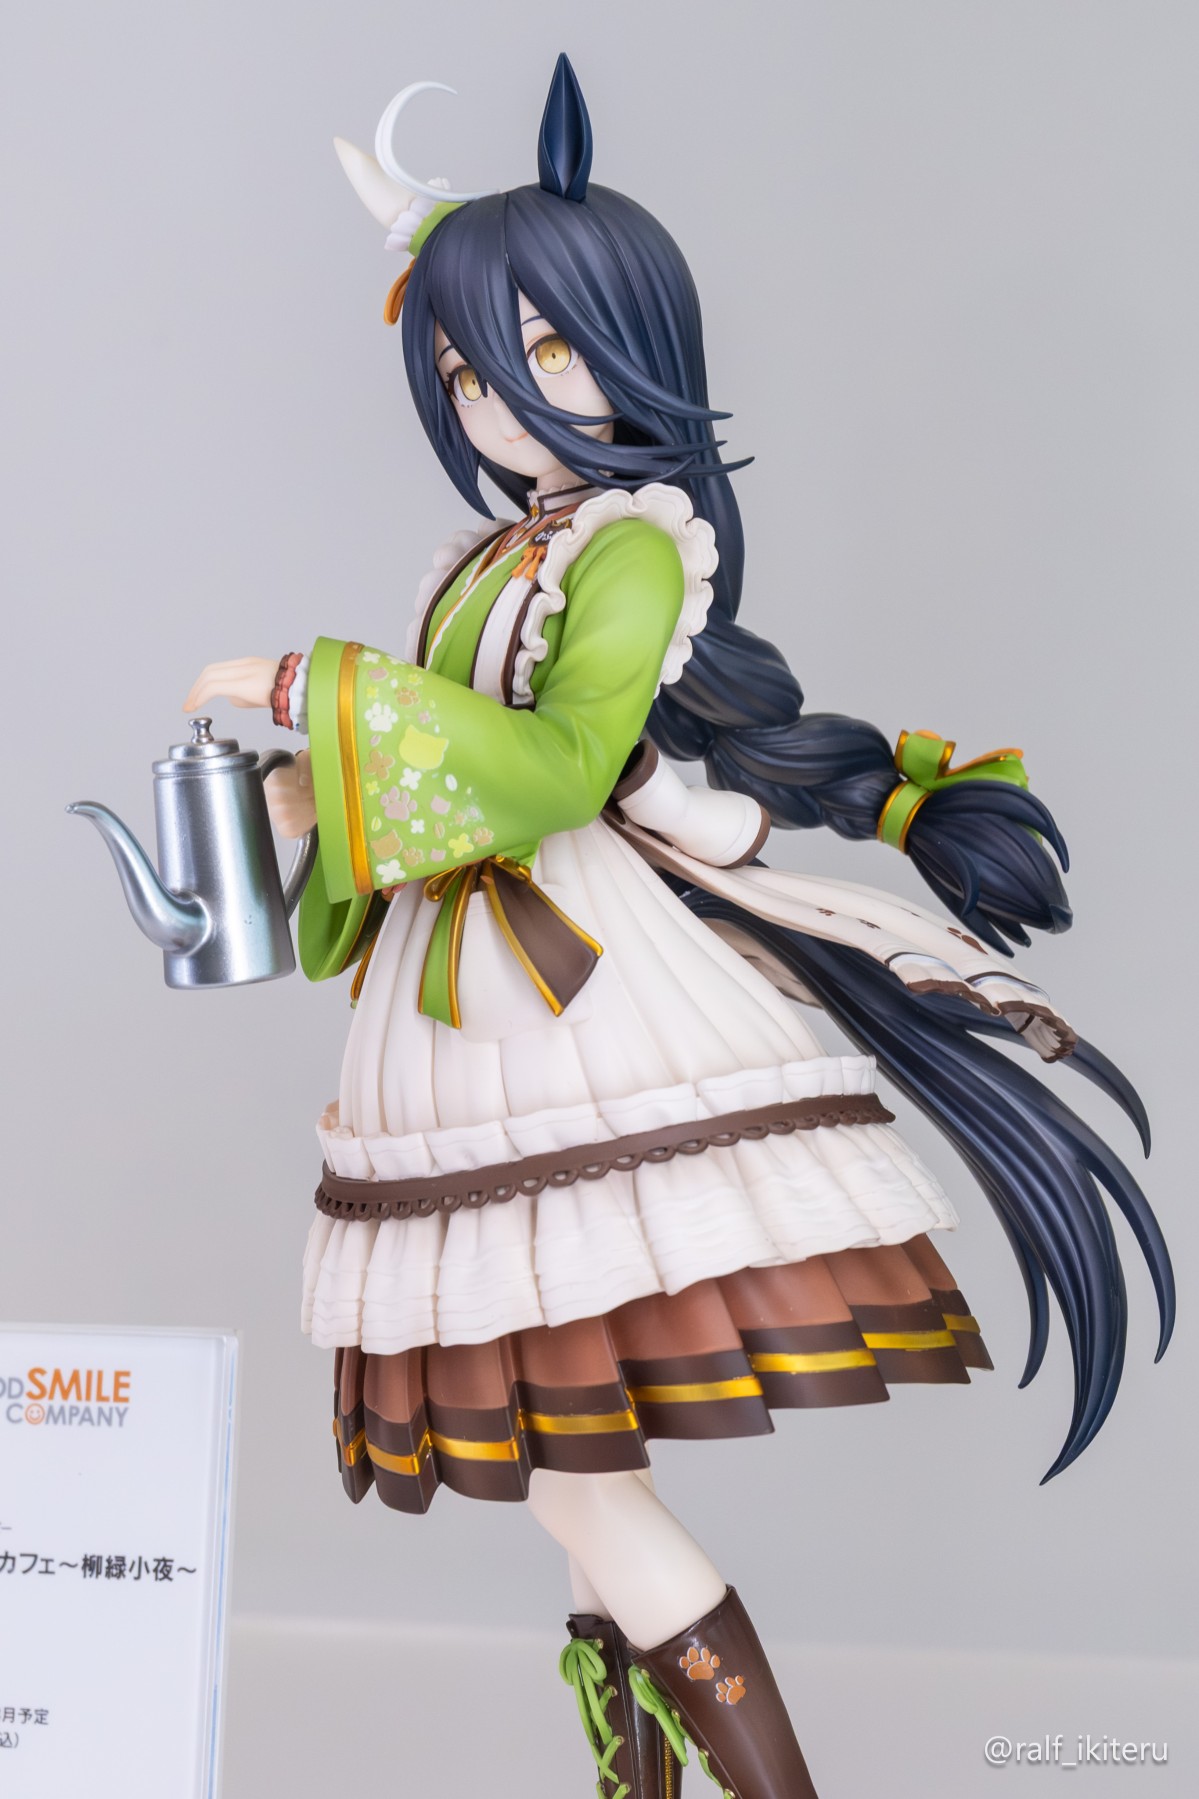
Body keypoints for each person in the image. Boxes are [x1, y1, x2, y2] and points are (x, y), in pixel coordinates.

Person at [183, 55, 1172, 1799]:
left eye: (546, 354)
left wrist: (311, 688)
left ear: (633, 343)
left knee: (575, 1471)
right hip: (469, 1004)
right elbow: (440, 760)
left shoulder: (634, 547)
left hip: (581, 1011)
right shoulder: (489, 558)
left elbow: (559, 768)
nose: (504, 403)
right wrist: (304, 790)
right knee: (571, 1458)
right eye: (470, 370)